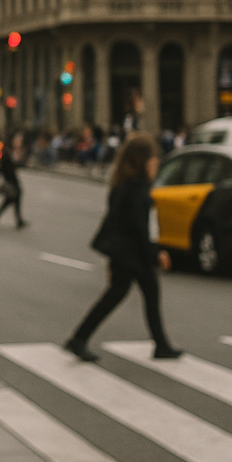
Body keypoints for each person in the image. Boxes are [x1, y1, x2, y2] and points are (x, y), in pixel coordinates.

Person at [64, 132, 182, 363]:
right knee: (137, 295)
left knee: (124, 295)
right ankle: (160, 345)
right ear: (142, 161)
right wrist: (155, 253)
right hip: (133, 255)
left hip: (126, 254)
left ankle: (80, 338)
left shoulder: (125, 185)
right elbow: (140, 227)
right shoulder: (135, 189)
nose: (156, 164)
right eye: (153, 160)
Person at [0, 128, 27, 228]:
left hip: (11, 179)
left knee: (11, 200)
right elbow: (5, 167)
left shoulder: (8, 152)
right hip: (11, 180)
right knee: (13, 198)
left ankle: (18, 220)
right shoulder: (6, 153)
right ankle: (17, 220)